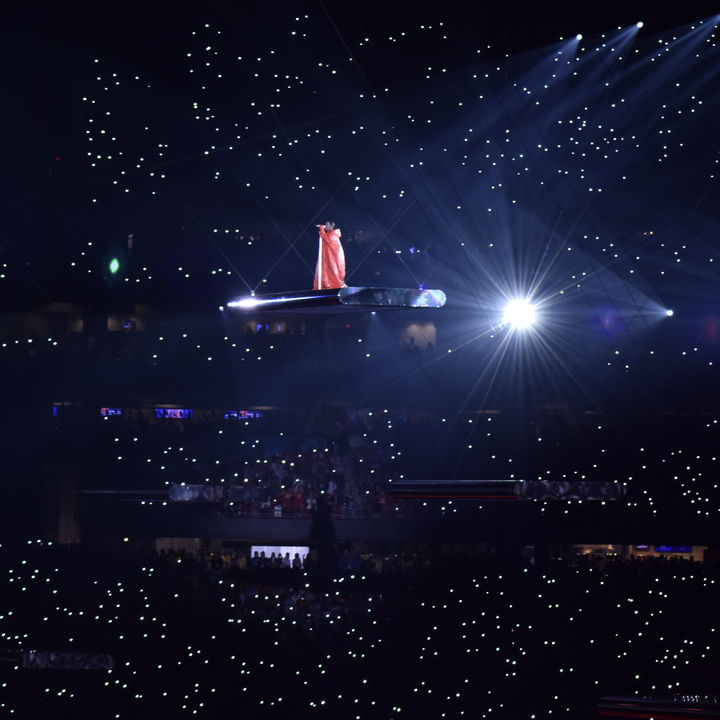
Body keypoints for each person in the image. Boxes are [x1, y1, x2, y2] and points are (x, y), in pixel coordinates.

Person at [313, 221, 346, 289]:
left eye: (327, 224)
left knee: (333, 270)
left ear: (331, 226)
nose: (325, 225)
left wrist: (321, 229)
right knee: (326, 270)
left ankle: (334, 284)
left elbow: (325, 238)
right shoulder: (330, 234)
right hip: (328, 257)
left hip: (334, 257)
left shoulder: (333, 235)